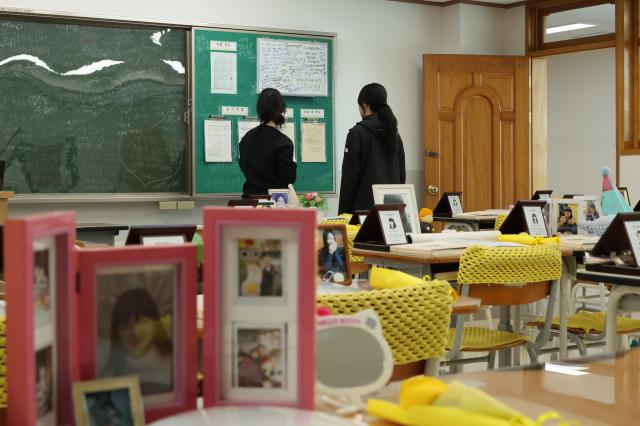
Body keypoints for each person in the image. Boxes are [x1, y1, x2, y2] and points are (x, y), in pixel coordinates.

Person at [338, 83, 406, 214]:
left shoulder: (356, 134)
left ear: (365, 105)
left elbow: (349, 180)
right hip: (391, 210)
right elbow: (401, 175)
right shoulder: (394, 134)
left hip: (363, 213)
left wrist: (343, 214)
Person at [102, 288, 173, 395]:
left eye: (142, 322)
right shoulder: (108, 377)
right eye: (126, 327)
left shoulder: (176, 366)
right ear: (117, 334)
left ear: (155, 324)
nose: (135, 332)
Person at [239, 88, 296, 197]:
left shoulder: (246, 138)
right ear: (281, 110)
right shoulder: (283, 142)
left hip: (248, 201)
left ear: (259, 109)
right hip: (274, 203)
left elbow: (243, 166)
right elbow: (288, 179)